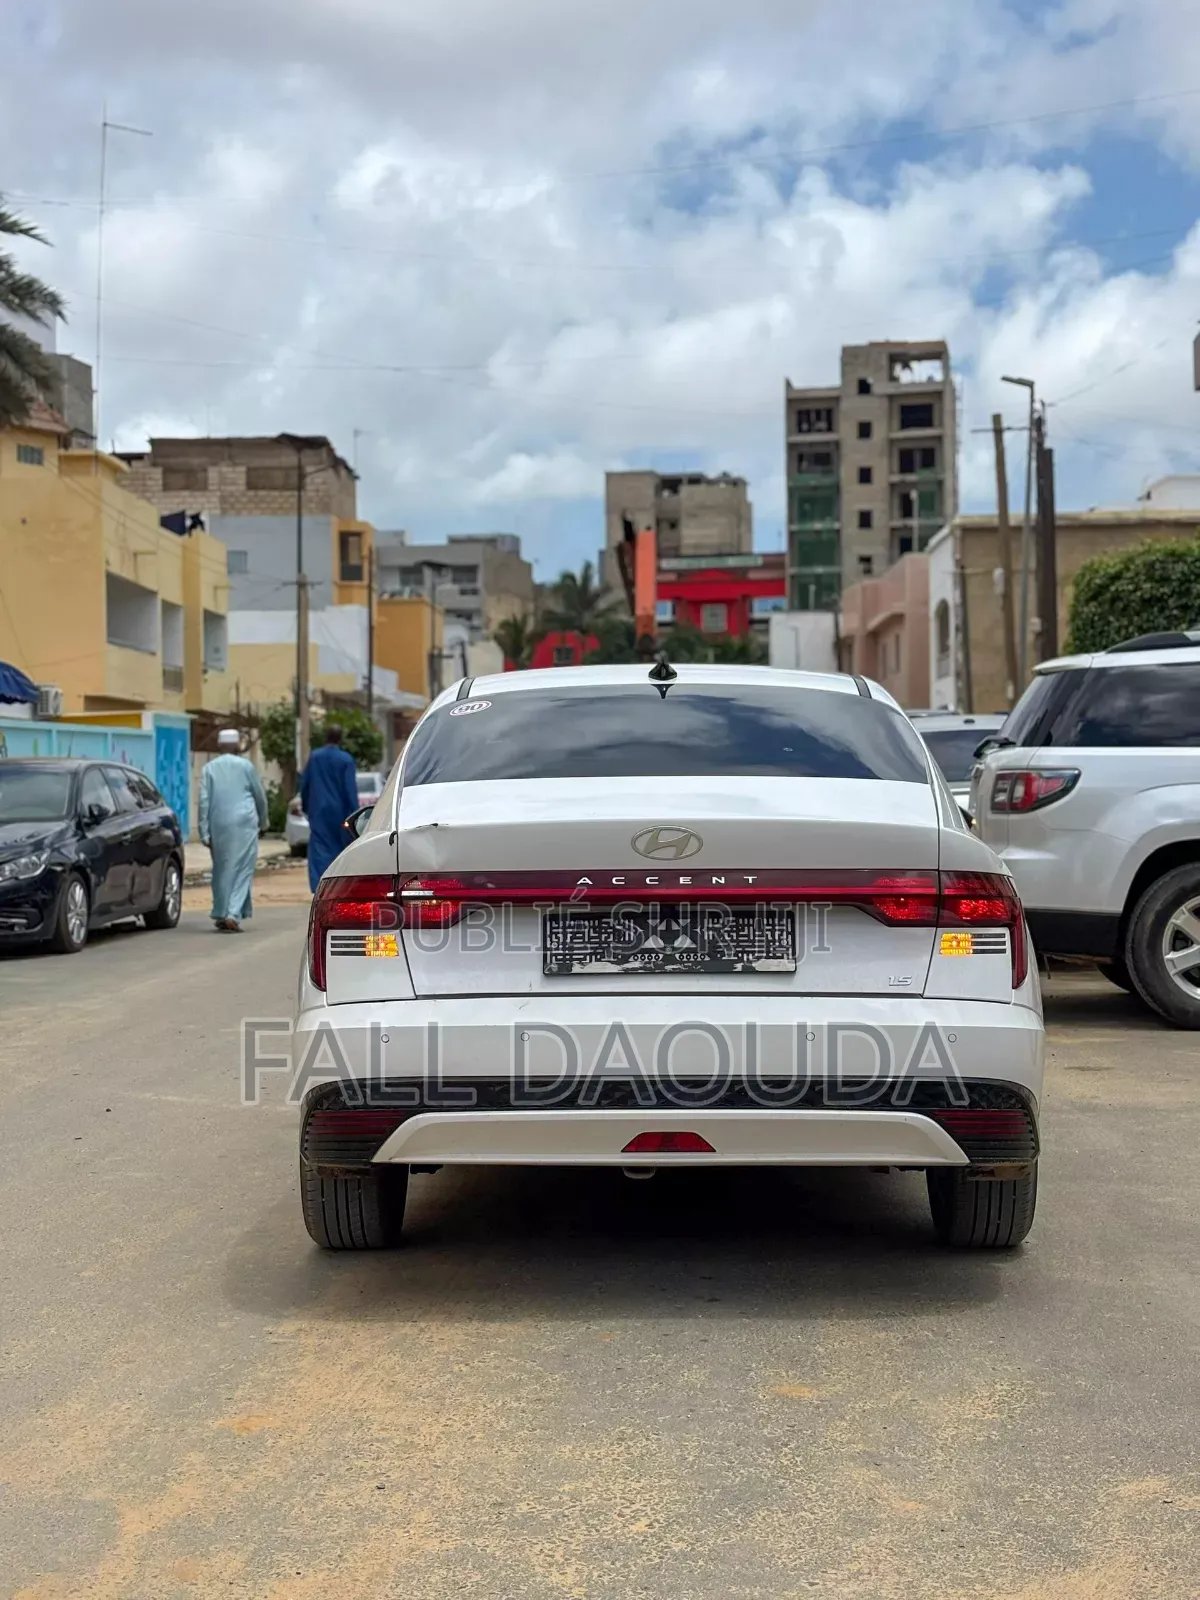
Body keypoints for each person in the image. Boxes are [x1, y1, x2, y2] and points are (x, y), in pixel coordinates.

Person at [198, 729, 268, 932]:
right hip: (244, 823)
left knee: (222, 869)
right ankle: (233, 913)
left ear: (220, 746)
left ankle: (221, 911)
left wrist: (204, 830)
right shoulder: (246, 766)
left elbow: (203, 802)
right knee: (243, 868)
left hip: (218, 823)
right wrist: (263, 822)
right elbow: (259, 796)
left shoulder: (209, 768)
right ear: (237, 745)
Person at [300, 724, 360, 892]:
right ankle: (337, 885)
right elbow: (350, 789)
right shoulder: (345, 759)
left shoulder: (315, 758)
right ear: (340, 739)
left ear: (325, 737)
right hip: (340, 811)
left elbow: (305, 784)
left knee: (320, 846)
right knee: (339, 847)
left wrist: (306, 805)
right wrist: (356, 815)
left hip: (318, 809)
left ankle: (320, 886)